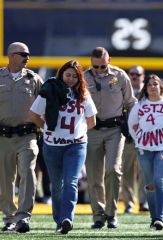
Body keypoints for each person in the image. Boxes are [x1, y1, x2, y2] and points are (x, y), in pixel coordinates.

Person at [30, 60, 97, 234]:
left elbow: (92, 120)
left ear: (79, 77)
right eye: (68, 75)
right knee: (57, 185)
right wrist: (46, 129)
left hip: (76, 145)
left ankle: (67, 218)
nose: (71, 79)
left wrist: (78, 132)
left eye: (75, 76)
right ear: (61, 74)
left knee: (71, 182)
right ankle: (59, 220)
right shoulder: (49, 89)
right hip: (52, 145)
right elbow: (34, 115)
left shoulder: (83, 94)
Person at [84, 47, 136, 229]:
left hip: (115, 129)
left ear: (110, 60)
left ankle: (111, 213)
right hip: (92, 129)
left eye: (103, 66)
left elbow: (131, 103)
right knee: (93, 174)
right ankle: (98, 215)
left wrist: (131, 126)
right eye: (95, 66)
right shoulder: (83, 77)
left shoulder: (120, 76)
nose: (99, 70)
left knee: (113, 170)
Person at [0, 42, 43, 233]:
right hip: (3, 135)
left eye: (28, 54)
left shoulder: (34, 79)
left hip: (28, 135)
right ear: (11, 56)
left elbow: (44, 105)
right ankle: (9, 217)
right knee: (5, 178)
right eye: (23, 54)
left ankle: (23, 218)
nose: (27, 57)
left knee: (28, 173)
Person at [128, 74, 163, 230]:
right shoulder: (139, 105)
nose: (153, 87)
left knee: (160, 180)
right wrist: (141, 140)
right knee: (149, 183)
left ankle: (159, 218)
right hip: (144, 148)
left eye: (155, 84)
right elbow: (132, 125)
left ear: (160, 86)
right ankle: (153, 217)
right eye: (149, 85)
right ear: (145, 88)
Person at [121, 65, 148, 214]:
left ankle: (144, 201)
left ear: (143, 76)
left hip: (145, 139)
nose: (134, 77)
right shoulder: (124, 91)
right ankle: (129, 203)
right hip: (128, 140)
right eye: (132, 74)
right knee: (127, 172)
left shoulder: (149, 90)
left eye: (137, 74)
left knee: (145, 172)